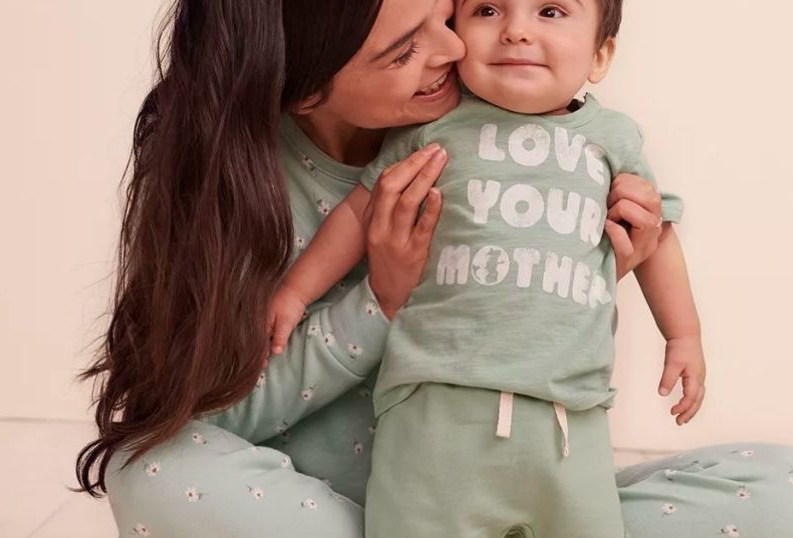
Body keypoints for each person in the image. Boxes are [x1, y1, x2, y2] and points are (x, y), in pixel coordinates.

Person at [75, 1, 793, 536]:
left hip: (527, 475)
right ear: (309, 88)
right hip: (354, 511)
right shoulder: (246, 189)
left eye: (445, 17)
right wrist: (379, 301)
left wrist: (602, 261)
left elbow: (517, 310)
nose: (454, 49)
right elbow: (219, 419)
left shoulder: (535, 137)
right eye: (405, 48)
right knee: (156, 473)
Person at [264, 0, 703, 535]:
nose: (517, 31)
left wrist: (682, 335)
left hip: (570, 415)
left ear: (601, 55)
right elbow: (360, 212)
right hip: (436, 404)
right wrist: (295, 292)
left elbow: (657, 237)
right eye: (489, 9)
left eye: (551, 11)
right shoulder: (433, 128)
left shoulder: (614, 139)